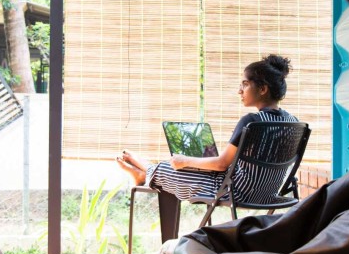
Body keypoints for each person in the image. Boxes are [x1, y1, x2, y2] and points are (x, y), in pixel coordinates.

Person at [116, 54, 299, 207]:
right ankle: (146, 172)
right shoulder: (294, 122)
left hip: (236, 193)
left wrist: (185, 161)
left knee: (170, 166)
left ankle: (146, 171)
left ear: (263, 89)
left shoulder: (251, 122)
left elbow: (221, 164)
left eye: (244, 84)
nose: (239, 90)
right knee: (189, 167)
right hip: (268, 195)